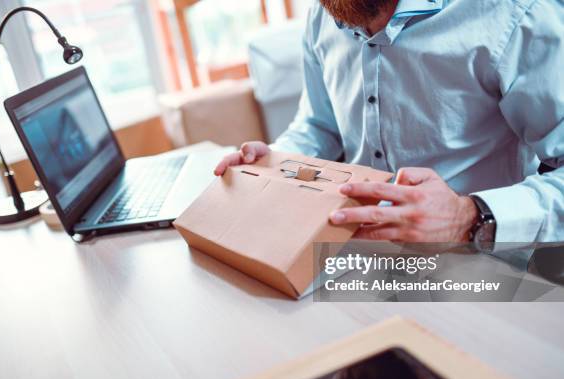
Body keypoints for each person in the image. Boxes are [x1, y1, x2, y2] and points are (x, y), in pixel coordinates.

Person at [214, 0, 563, 244]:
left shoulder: (517, 14)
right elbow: (321, 127)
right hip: (358, 257)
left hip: (480, 264)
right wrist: (275, 162)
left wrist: (468, 217)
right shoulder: (322, 16)